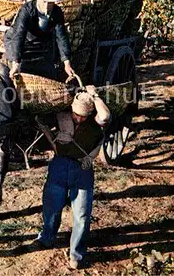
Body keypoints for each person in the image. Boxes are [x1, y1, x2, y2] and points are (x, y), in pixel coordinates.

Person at [31, 86, 111, 269]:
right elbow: (39, 115)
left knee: (82, 215)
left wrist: (94, 95)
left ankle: (77, 255)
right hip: (59, 165)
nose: (78, 118)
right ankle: (47, 238)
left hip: (83, 169)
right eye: (76, 114)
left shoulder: (97, 121)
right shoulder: (61, 116)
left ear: (90, 113)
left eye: (83, 116)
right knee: (52, 205)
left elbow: (105, 116)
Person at [4, 0, 75, 80]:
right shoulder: (26, 10)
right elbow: (18, 35)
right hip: (24, 44)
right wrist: (15, 63)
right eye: (44, 1)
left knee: (49, 73)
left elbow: (61, 36)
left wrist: (67, 63)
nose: (46, 5)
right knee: (21, 74)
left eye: (50, 3)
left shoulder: (57, 12)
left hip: (41, 44)